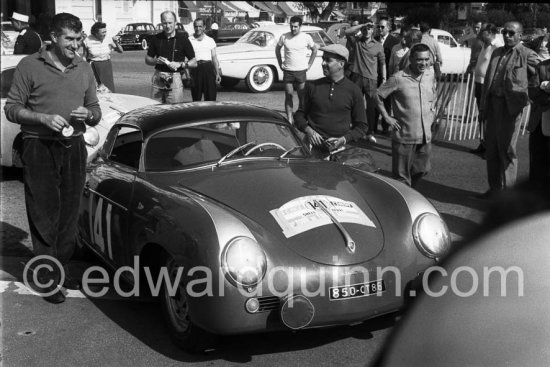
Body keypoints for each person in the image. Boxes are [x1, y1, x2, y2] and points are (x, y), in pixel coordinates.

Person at [4, 13, 102, 304]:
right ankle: (48, 278)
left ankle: (60, 268)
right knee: (44, 212)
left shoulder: (84, 68)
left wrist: (90, 115)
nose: (75, 44)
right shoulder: (29, 65)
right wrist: (42, 118)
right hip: (38, 145)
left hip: (73, 145)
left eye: (79, 37)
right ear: (53, 38)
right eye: (69, 39)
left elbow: (95, 109)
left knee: (69, 213)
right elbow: (12, 109)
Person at [478, 21, 540, 198]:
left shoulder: (526, 54)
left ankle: (508, 196)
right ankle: (495, 190)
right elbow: (487, 82)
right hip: (492, 105)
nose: (507, 35)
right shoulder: (497, 51)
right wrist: (483, 107)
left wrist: (532, 92)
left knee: (507, 150)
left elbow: (543, 71)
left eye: (512, 33)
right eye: (505, 32)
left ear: (520, 35)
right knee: (491, 149)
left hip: (510, 108)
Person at [375, 43, 437, 187]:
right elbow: (377, 95)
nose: (424, 63)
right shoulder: (398, 78)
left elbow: (433, 94)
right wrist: (386, 117)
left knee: (423, 169)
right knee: (401, 178)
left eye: (427, 59)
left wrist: (433, 111)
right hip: (404, 135)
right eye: (419, 59)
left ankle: (409, 192)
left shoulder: (429, 75)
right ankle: (403, 201)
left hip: (425, 135)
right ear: (411, 59)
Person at [294, 44, 367, 158]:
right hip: (311, 149)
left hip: (340, 153)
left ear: (341, 64)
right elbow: (299, 114)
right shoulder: (312, 86)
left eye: (328, 60)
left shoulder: (354, 91)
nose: (323, 63)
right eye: (323, 59)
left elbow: (362, 127)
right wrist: (308, 130)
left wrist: (343, 139)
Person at [345, 19, 386, 143]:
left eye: (369, 28)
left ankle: (369, 132)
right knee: (356, 105)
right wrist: (362, 24)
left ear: (373, 30)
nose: (367, 31)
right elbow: (347, 32)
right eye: (364, 29)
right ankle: (356, 131)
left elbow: (382, 64)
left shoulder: (378, 45)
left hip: (371, 80)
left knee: (371, 107)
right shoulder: (357, 41)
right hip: (357, 76)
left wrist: (384, 79)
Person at [145, 11, 197, 103]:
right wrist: (156, 61)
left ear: (175, 23)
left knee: (174, 112)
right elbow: (147, 60)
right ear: (161, 23)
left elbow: (194, 62)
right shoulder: (156, 38)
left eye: (170, 23)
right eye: (164, 23)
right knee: (154, 111)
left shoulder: (183, 39)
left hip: (175, 79)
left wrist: (181, 65)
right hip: (158, 78)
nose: (167, 26)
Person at [275, 15, 318, 124]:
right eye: (291, 26)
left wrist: (309, 64)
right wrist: (280, 63)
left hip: (301, 71)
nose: (293, 29)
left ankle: (302, 117)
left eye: (295, 27)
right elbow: (277, 49)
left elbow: (314, 50)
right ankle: (290, 119)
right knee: (289, 95)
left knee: (302, 96)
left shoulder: (306, 37)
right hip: (288, 71)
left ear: (300, 26)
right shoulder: (284, 36)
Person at [469, 23, 504, 157]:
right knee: (482, 115)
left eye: (482, 31)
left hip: (488, 85)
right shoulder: (484, 44)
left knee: (489, 116)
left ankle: (490, 148)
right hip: (479, 83)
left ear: (489, 32)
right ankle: (483, 143)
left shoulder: (498, 46)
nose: (478, 33)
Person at [527, 57, 550, 186]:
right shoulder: (542, 66)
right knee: (537, 162)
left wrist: (544, 86)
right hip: (539, 122)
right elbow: (532, 90)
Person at [83, 22, 123, 92]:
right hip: (93, 65)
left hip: (106, 66)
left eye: (105, 31)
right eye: (103, 32)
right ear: (96, 33)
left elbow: (121, 51)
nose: (105, 34)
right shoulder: (87, 40)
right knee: (95, 87)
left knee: (108, 87)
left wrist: (116, 42)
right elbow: (85, 56)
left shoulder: (108, 39)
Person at [189, 18, 221, 101]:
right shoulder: (189, 40)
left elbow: (214, 58)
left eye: (200, 26)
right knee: (196, 98)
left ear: (204, 27)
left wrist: (217, 73)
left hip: (208, 70)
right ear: (194, 27)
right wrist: (187, 74)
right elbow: (186, 58)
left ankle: (210, 114)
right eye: (196, 26)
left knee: (211, 98)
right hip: (195, 69)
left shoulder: (210, 40)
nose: (198, 28)